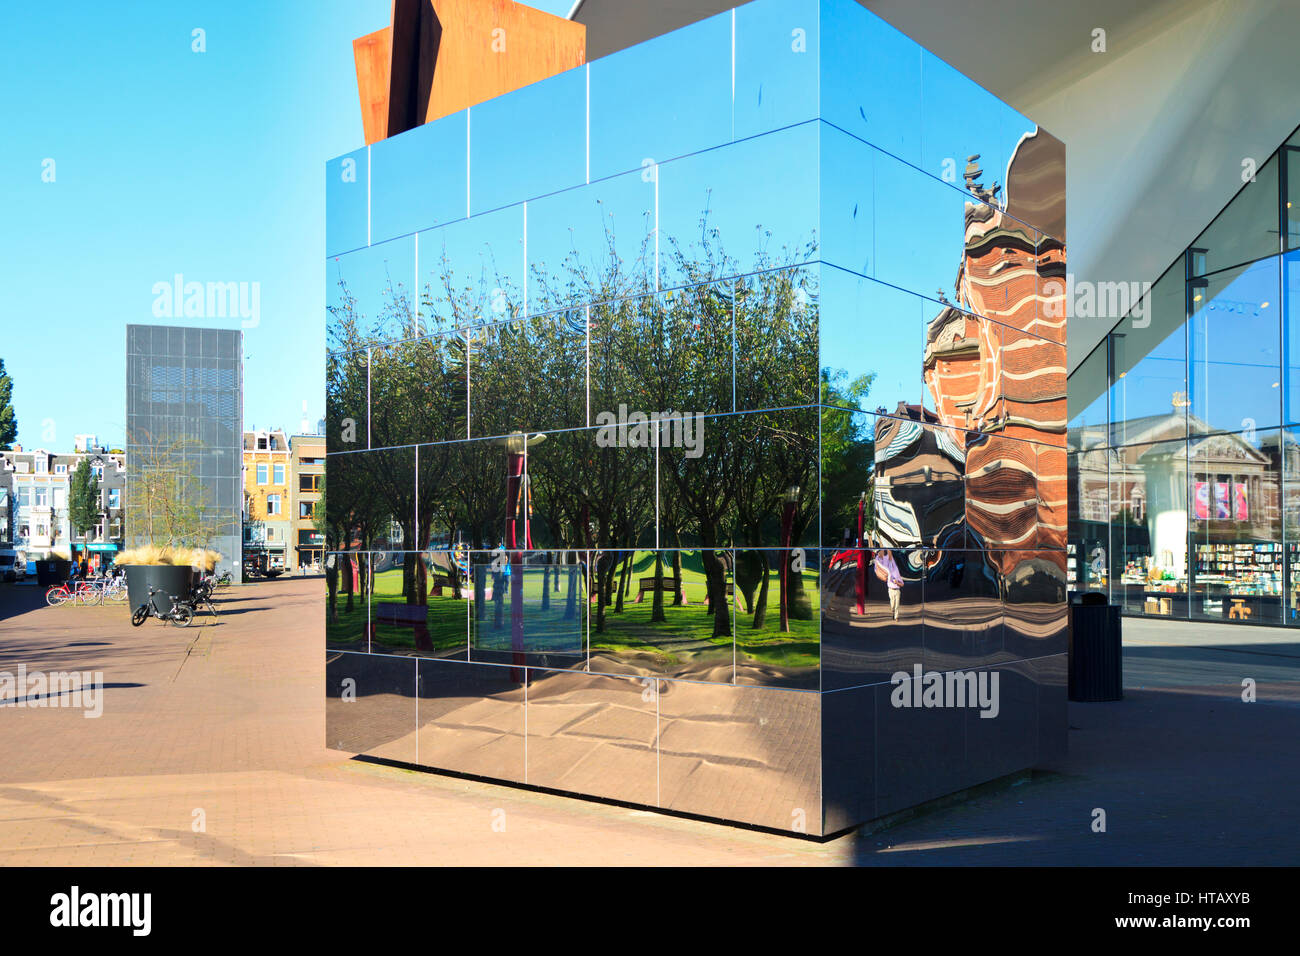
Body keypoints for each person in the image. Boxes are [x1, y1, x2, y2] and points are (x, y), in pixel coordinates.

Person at [873, 542, 903, 621]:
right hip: (890, 590)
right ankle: (893, 611)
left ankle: (896, 617)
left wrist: (897, 582)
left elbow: (902, 584)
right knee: (892, 604)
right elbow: (880, 563)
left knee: (897, 605)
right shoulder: (884, 564)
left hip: (897, 590)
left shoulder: (896, 571)